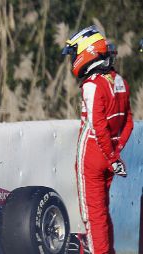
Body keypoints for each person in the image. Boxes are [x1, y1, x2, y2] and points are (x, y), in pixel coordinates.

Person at [62, 26, 133, 253]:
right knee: (103, 212)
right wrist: (116, 151)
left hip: (93, 155)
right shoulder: (119, 80)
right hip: (109, 154)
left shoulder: (92, 85)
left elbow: (97, 125)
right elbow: (128, 122)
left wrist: (111, 156)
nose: (73, 58)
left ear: (87, 52)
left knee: (92, 216)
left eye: (75, 53)